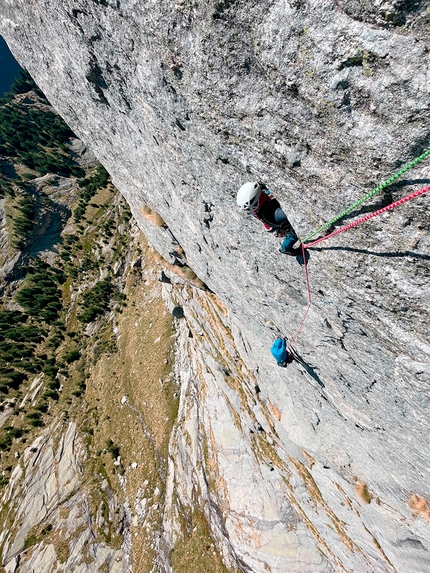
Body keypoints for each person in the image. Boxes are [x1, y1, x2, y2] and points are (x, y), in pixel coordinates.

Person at [236, 181, 308, 263]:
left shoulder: (259, 202)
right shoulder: (274, 214)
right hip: (274, 222)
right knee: (291, 235)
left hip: (269, 217)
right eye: (261, 194)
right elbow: (289, 213)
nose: (263, 193)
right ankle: (286, 249)